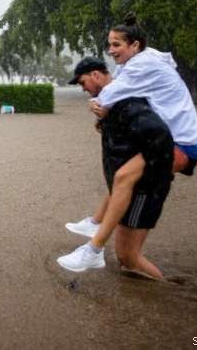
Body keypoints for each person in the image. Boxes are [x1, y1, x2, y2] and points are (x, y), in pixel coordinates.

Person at [65, 14, 197, 240]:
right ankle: (96, 224)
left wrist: (97, 104)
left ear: (135, 45)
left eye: (116, 44)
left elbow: (108, 96)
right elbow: (114, 88)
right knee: (121, 177)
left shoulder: (143, 65)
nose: (110, 50)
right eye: (110, 44)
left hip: (182, 144)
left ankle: (97, 243)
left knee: (124, 178)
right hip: (170, 140)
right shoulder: (135, 62)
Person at [56, 57, 175, 279]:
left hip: (143, 190)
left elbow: (161, 136)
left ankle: (169, 290)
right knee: (126, 258)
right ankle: (153, 288)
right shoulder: (112, 102)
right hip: (131, 190)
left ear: (95, 75)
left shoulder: (128, 102)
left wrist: (131, 176)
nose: (83, 89)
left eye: (83, 83)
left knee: (129, 257)